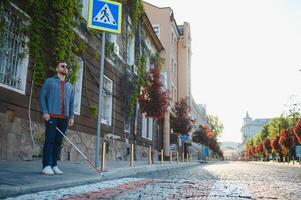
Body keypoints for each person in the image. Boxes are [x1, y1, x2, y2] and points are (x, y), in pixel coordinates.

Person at [39, 62, 75, 175]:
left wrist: (71, 117)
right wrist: (45, 112)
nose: (65, 68)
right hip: (52, 116)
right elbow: (41, 97)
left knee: (58, 142)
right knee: (50, 140)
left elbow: (71, 103)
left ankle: (54, 165)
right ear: (57, 69)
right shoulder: (49, 82)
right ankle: (46, 165)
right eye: (62, 66)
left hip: (64, 118)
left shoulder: (70, 86)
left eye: (66, 67)